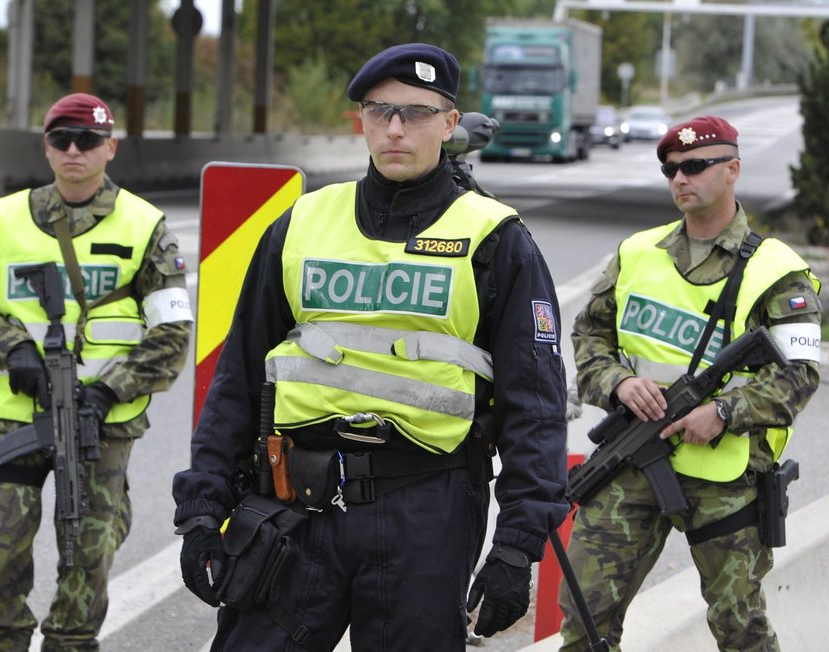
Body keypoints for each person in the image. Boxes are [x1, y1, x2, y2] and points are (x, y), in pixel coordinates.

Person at [172, 43, 570, 651]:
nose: (394, 128)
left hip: (426, 511)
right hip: (295, 507)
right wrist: (203, 506)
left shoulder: (495, 238)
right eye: (379, 111)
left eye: (415, 113)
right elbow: (241, 376)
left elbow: (534, 407)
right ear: (360, 119)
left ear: (449, 123)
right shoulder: (300, 223)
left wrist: (517, 547)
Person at [558, 115, 822, 652]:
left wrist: (725, 411)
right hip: (633, 458)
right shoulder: (638, 252)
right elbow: (590, 335)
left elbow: (800, 372)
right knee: (584, 617)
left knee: (740, 628)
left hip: (724, 473)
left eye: (697, 166)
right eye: (672, 169)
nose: (682, 178)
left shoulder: (777, 270)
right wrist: (617, 383)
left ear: (732, 171)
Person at [0, 92, 193, 652]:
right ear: (46, 147)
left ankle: (70, 643)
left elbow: (171, 332)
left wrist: (110, 389)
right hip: (12, 417)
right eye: (61, 139)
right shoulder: (6, 219)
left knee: (89, 554)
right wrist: (12, 348)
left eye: (88, 140)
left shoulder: (146, 226)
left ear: (110, 147)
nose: (74, 150)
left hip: (100, 423)